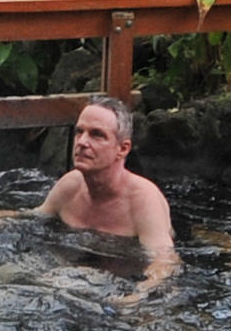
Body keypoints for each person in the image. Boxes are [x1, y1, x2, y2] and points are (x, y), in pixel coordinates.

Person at [39, 94, 177, 283]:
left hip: (122, 279)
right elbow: (32, 218)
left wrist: (135, 298)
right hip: (73, 270)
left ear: (122, 148)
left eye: (97, 135)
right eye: (80, 131)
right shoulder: (70, 185)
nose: (82, 142)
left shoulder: (143, 200)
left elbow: (165, 262)